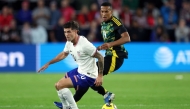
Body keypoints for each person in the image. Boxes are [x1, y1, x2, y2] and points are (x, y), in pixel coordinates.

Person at [54, 2, 131, 108]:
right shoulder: (104, 23)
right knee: (88, 77)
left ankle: (72, 104)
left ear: (111, 12)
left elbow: (127, 38)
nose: (104, 14)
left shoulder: (116, 22)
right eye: (102, 11)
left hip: (116, 57)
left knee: (88, 76)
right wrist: (101, 47)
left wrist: (110, 44)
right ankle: (105, 94)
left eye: (106, 11)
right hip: (109, 55)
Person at [38, 21, 104, 109]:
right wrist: (48, 63)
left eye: (69, 31)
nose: (66, 34)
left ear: (76, 31)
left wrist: (100, 75)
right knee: (57, 85)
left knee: (61, 85)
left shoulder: (85, 44)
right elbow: (63, 54)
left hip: (88, 75)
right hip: (80, 70)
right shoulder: (69, 42)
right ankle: (66, 107)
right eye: (65, 32)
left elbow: (100, 57)